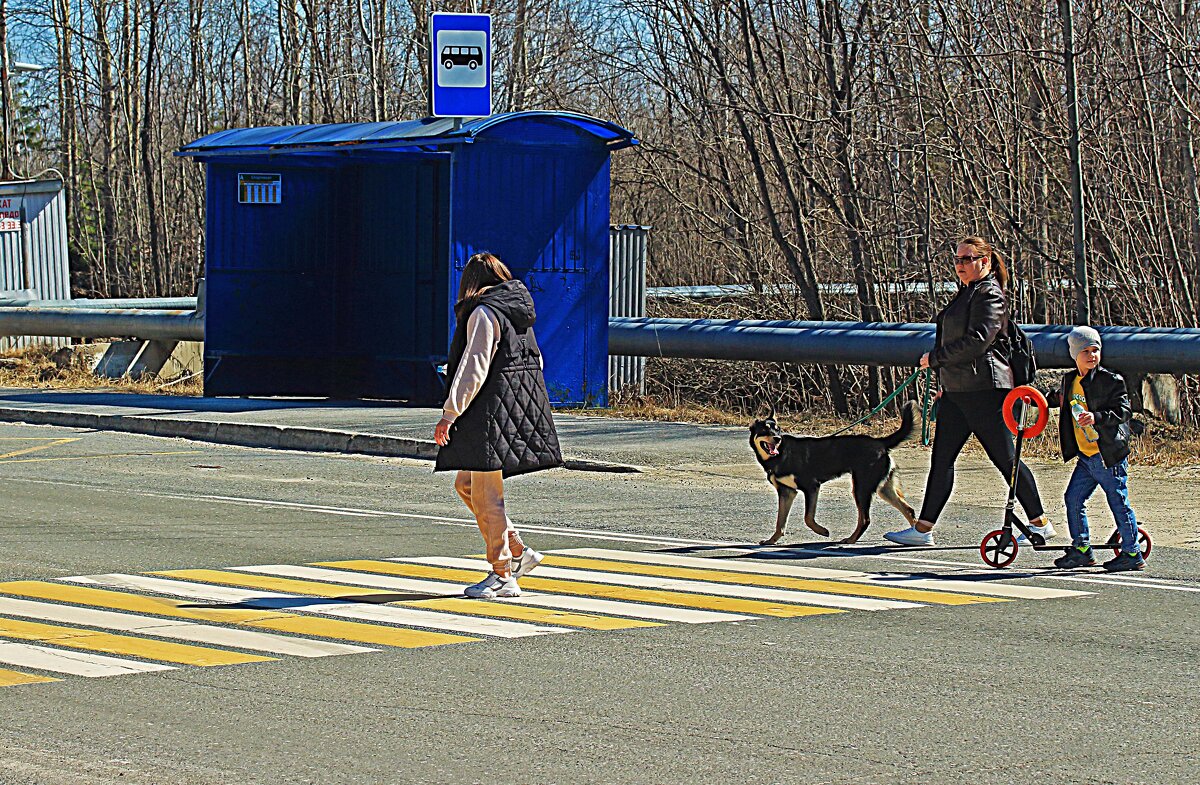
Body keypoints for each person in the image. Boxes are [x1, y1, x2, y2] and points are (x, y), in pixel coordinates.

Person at [884, 236, 1053, 546]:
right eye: (957, 259)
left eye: (967, 259)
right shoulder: (967, 293)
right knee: (942, 459)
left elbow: (978, 340)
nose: (959, 265)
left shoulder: (990, 294)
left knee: (1005, 458)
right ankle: (923, 529)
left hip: (987, 390)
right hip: (958, 391)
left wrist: (934, 359)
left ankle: (1039, 523)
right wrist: (944, 383)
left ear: (984, 262)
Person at [433, 252, 564, 598]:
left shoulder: (484, 313)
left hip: (490, 414)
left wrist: (450, 412)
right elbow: (536, 360)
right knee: (466, 485)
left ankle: (503, 574)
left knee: (487, 496)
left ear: (471, 283)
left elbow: (473, 365)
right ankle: (518, 551)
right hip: (512, 409)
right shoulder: (518, 313)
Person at [1050, 326, 1144, 571]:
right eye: (1086, 351)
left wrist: (1097, 417)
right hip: (1086, 456)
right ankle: (1081, 549)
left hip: (1107, 456)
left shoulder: (1111, 380)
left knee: (1118, 502)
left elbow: (1124, 411)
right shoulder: (1070, 380)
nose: (1092, 356)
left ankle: (1132, 553)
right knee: (1073, 499)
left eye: (1095, 350)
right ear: (1074, 354)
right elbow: (1063, 400)